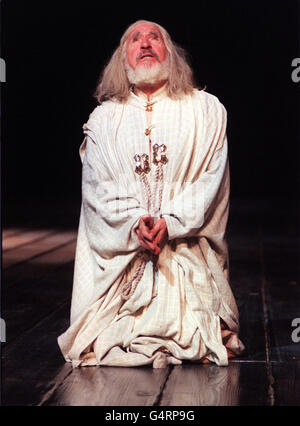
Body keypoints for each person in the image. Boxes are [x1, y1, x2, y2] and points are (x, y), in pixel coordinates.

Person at [58, 19, 245, 368]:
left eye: (154, 37)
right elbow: (97, 188)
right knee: (109, 332)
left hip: (185, 250)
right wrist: (134, 224)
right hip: (125, 256)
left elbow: (212, 180)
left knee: (193, 327)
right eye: (134, 39)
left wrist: (171, 222)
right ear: (122, 57)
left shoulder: (205, 110)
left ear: (170, 53)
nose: (145, 44)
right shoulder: (103, 119)